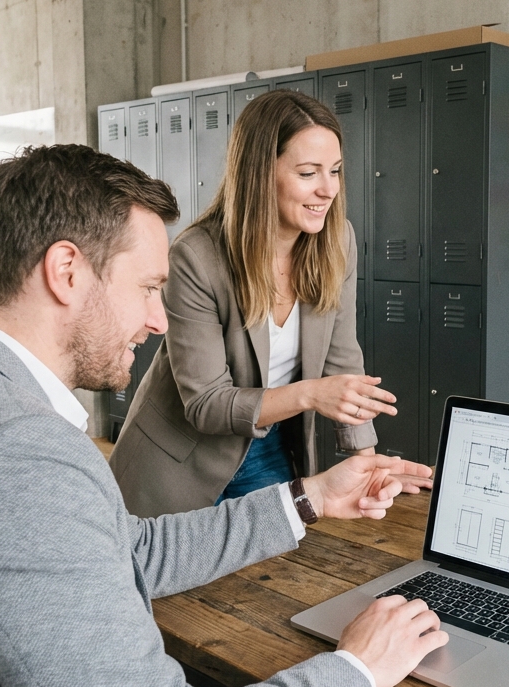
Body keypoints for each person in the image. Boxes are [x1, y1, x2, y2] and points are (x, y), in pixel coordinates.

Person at [0, 145, 448, 687]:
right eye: (149, 288)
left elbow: (130, 553)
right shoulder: (11, 454)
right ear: (66, 270)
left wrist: (310, 496)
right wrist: (358, 670)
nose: (156, 320)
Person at [111, 89, 401, 516]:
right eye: (308, 173)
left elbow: (342, 362)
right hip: (180, 463)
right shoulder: (197, 256)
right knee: (175, 577)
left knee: (279, 573)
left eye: (335, 171)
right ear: (261, 172)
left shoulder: (337, 241)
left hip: (270, 446)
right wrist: (309, 394)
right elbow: (207, 405)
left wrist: (366, 463)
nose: (328, 190)